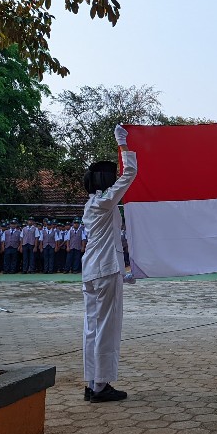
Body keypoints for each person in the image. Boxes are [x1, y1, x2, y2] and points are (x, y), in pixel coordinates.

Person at [81, 124, 138, 403]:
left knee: (91, 328)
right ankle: (101, 386)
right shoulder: (104, 202)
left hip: (92, 271)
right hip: (105, 270)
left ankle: (92, 383)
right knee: (106, 327)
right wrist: (123, 143)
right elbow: (131, 173)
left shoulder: (91, 203)